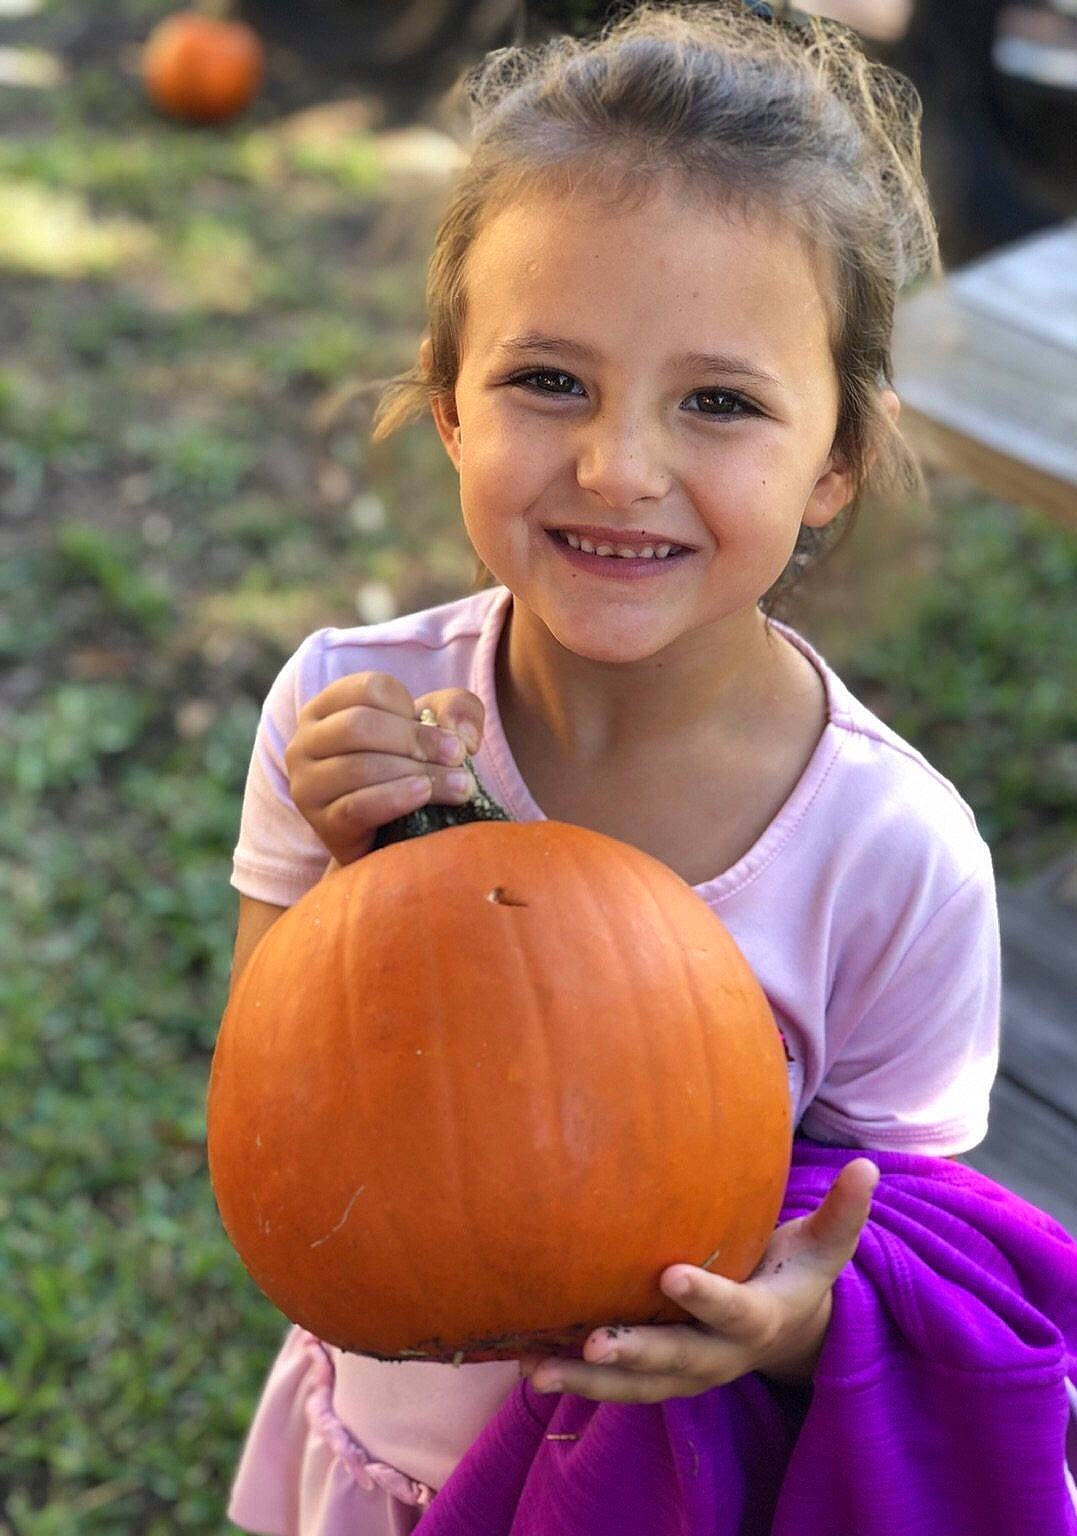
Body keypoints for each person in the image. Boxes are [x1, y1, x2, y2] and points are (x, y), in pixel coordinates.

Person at [222, 4, 1004, 1531]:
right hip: (388, 1456)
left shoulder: (892, 854)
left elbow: (914, 1254)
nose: (620, 467)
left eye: (719, 402)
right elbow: (276, 1130)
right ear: (449, 403)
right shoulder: (342, 715)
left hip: (671, 1487)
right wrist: (345, 884)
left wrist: (788, 1329)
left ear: (839, 455)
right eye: (548, 381)